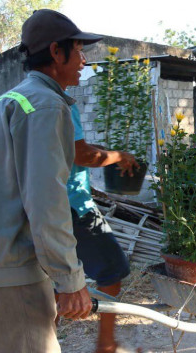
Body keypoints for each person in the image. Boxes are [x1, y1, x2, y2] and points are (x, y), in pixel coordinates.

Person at [0, 9, 102, 352]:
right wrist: (70, 279)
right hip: (9, 269)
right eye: (78, 50)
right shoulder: (45, 106)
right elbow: (47, 200)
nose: (84, 59)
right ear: (56, 52)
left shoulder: (7, 101)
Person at [66, 99, 138, 353]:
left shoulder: (29, 100)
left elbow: (75, 147)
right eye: (77, 55)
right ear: (55, 56)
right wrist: (118, 156)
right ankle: (105, 344)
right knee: (113, 269)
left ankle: (47, 339)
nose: (83, 60)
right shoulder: (61, 103)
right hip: (74, 205)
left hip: (47, 205)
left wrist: (101, 150)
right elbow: (81, 155)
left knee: (51, 279)